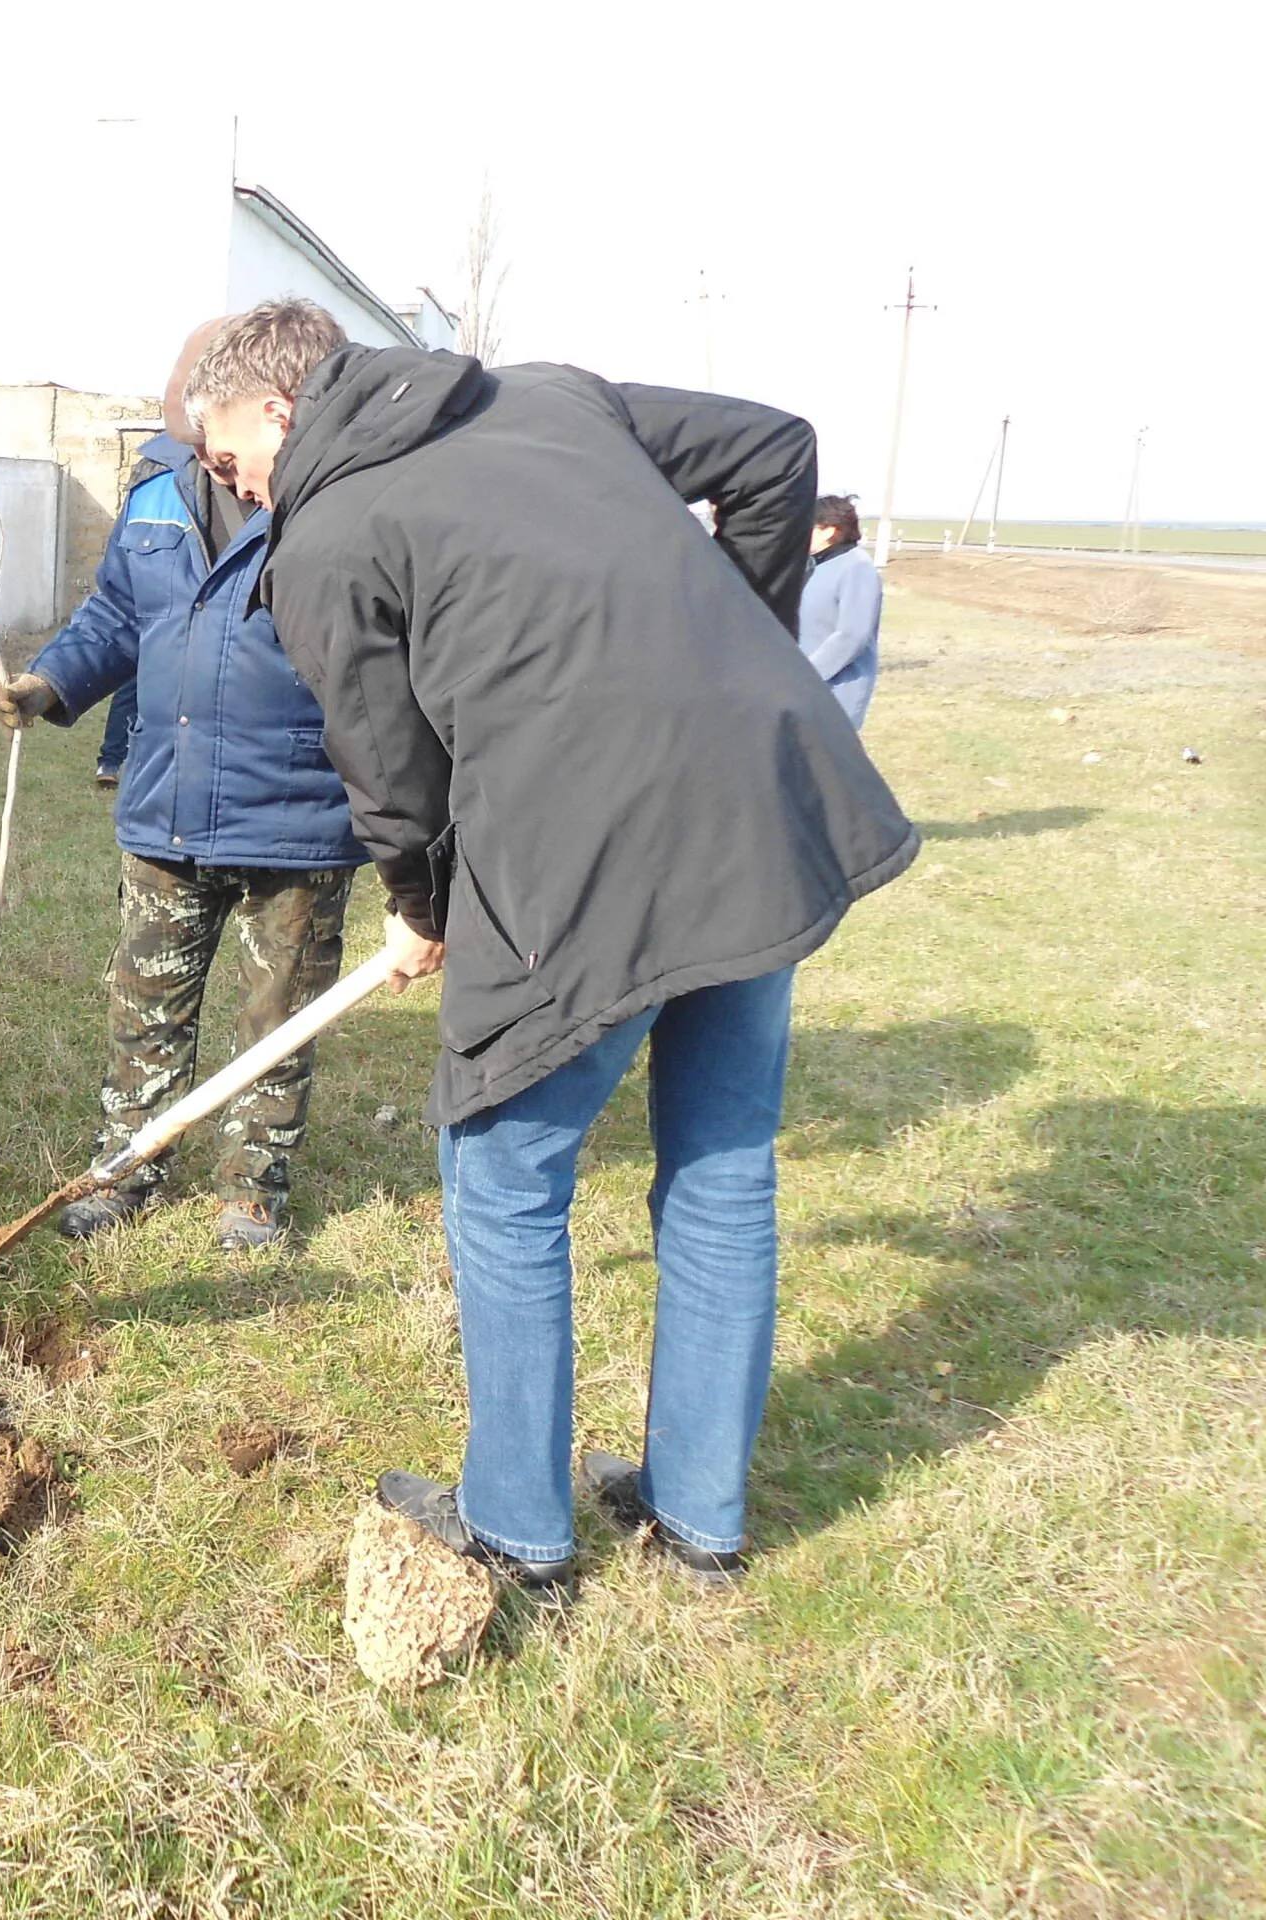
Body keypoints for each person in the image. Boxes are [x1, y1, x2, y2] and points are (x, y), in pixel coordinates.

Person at [184, 298, 919, 1593]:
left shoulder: (328, 539)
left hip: (586, 840)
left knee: (502, 1163)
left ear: (281, 410)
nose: (221, 472)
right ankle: (701, 1513)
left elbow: (393, 781)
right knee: (724, 1157)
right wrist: (716, 647)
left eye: (222, 442)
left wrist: (424, 907)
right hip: (755, 795)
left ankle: (518, 1525)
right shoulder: (544, 393)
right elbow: (774, 453)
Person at [0, 317, 364, 1253]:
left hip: (298, 818)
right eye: (187, 438)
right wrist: (50, 681)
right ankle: (125, 1173)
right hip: (166, 806)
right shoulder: (156, 501)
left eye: (210, 437)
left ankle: (252, 1193)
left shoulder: (333, 505)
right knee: (144, 1007)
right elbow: (116, 616)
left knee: (274, 1019)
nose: (204, 457)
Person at [799, 493, 882, 727]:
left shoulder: (857, 568)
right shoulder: (813, 565)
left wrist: (807, 674)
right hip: (803, 683)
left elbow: (852, 635)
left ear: (829, 530)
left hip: (837, 688)